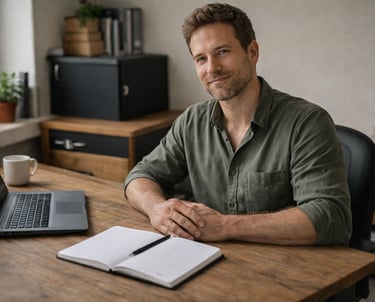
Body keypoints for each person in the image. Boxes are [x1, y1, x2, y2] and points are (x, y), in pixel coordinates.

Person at [124, 3, 352, 245]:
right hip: (211, 266)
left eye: (222, 52)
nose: (212, 68)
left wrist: (224, 226)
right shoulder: (191, 121)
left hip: (286, 271)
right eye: (201, 58)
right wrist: (157, 209)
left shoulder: (306, 123)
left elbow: (330, 217)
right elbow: (140, 176)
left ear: (252, 52)